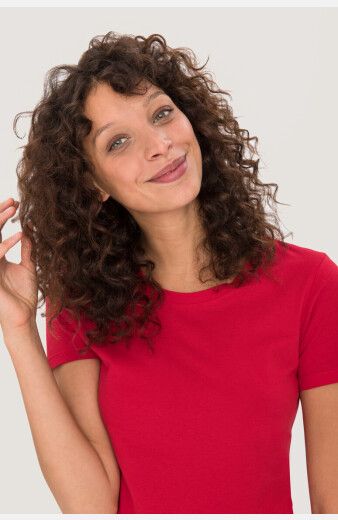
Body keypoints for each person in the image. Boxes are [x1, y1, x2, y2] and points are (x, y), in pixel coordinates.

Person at [1, 31, 338, 514]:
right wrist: (17, 330)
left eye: (161, 114)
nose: (160, 145)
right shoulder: (81, 303)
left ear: (191, 121)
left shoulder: (310, 284)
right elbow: (90, 506)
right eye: (118, 142)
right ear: (93, 184)